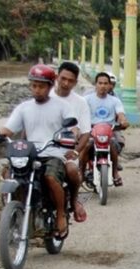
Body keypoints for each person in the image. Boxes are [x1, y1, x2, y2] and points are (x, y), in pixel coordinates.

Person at [0, 64, 78, 240]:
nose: (37, 90)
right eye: (33, 85)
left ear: (50, 86)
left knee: (50, 176)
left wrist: (70, 137)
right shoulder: (24, 108)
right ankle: (12, 213)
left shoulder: (62, 106)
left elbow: (73, 129)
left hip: (53, 153)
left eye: (41, 86)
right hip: (29, 154)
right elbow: (8, 129)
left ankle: (60, 214)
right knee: (8, 174)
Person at [52, 61, 90, 223]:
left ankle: (74, 201)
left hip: (66, 151)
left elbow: (86, 132)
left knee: (73, 171)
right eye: (63, 78)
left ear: (75, 82)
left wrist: (75, 152)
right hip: (43, 149)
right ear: (57, 77)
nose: (66, 83)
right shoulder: (45, 98)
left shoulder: (80, 103)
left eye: (70, 80)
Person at [85, 72, 129, 186]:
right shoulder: (86, 99)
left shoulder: (115, 100)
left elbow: (120, 113)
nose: (103, 86)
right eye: (100, 83)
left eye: (105, 83)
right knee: (85, 146)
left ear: (110, 85)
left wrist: (123, 121)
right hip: (91, 131)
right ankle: (81, 171)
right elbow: (79, 113)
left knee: (113, 144)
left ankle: (115, 172)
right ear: (95, 84)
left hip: (109, 131)